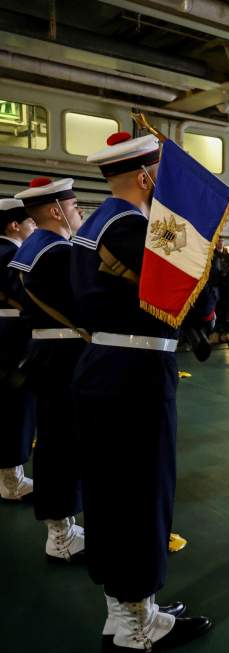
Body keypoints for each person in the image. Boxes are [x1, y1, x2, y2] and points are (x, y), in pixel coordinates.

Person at [71, 133, 215, 650]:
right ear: (148, 176)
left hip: (104, 364)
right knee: (139, 492)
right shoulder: (139, 227)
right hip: (135, 371)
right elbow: (198, 294)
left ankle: (127, 609)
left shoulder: (92, 224)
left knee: (112, 492)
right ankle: (138, 625)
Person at [7, 177, 87, 563]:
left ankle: (61, 529)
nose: (79, 211)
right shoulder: (58, 252)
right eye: (73, 206)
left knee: (55, 444)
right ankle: (61, 535)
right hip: (65, 356)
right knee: (62, 448)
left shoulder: (34, 248)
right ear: (56, 210)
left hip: (46, 352)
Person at [0, 198, 36, 501]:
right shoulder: (13, 255)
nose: (33, 228)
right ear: (15, 225)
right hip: (12, 339)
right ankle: (11, 481)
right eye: (30, 223)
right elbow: (26, 297)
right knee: (15, 411)